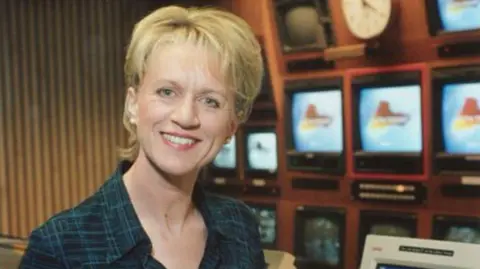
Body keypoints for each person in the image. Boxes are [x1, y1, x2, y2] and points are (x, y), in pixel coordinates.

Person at [19, 5, 266, 269]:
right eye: (167, 92)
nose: (185, 117)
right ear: (132, 105)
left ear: (231, 126)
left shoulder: (239, 226)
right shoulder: (61, 249)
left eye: (210, 101)